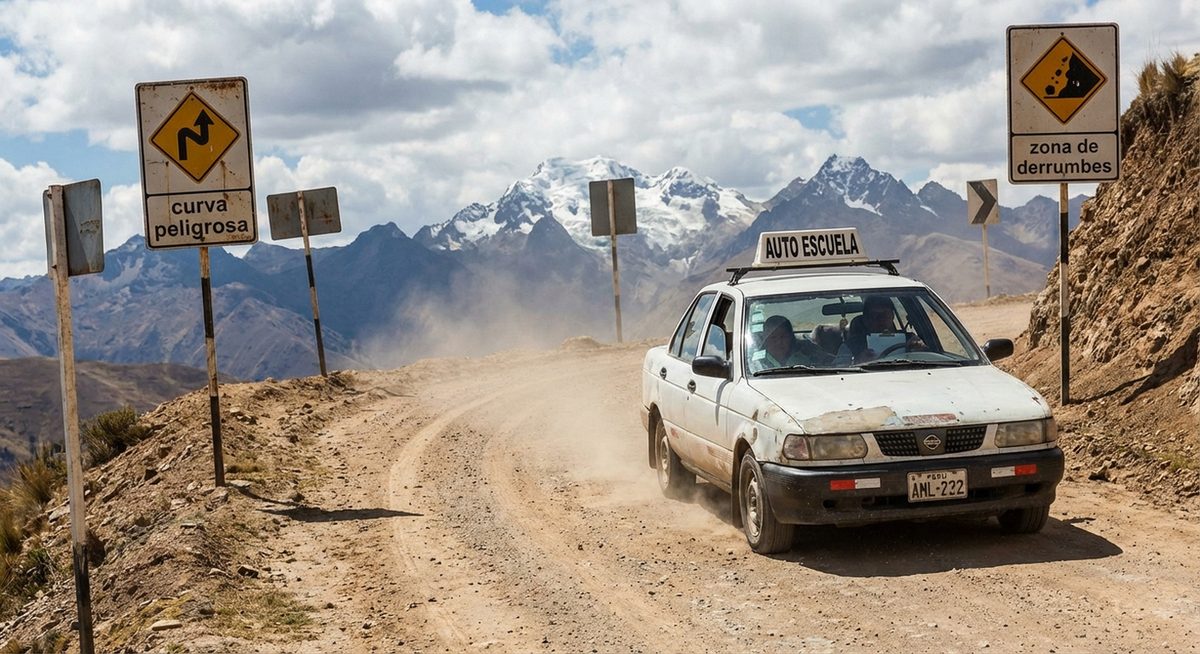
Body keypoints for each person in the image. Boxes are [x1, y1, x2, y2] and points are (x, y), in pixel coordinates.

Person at [846, 295, 923, 362]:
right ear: (866, 319)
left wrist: (920, 349)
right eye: (874, 315)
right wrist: (858, 361)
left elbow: (931, 359)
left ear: (892, 316)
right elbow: (838, 367)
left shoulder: (910, 339)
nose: (880, 319)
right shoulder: (852, 345)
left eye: (885, 314)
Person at [750, 315, 832, 372]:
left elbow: (832, 365)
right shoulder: (755, 361)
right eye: (773, 338)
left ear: (791, 337)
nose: (779, 342)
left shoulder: (809, 351)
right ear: (765, 340)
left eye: (783, 336)